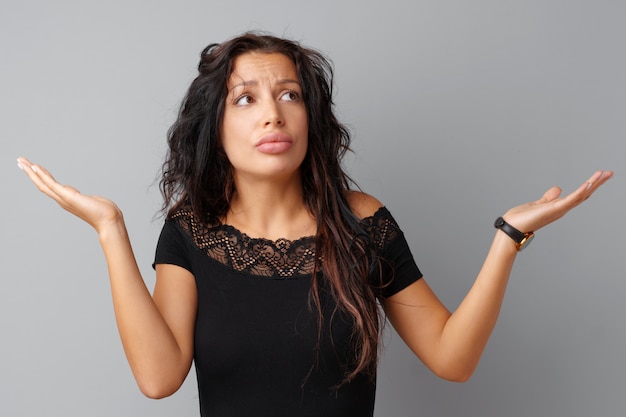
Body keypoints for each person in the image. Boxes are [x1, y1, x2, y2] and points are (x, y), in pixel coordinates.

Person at [17, 32, 612, 417]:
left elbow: (452, 359)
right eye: (245, 98)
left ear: (311, 116)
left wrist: (508, 238)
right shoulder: (190, 231)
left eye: (290, 94)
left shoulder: (365, 222)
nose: (273, 113)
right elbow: (158, 377)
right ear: (215, 126)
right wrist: (110, 230)